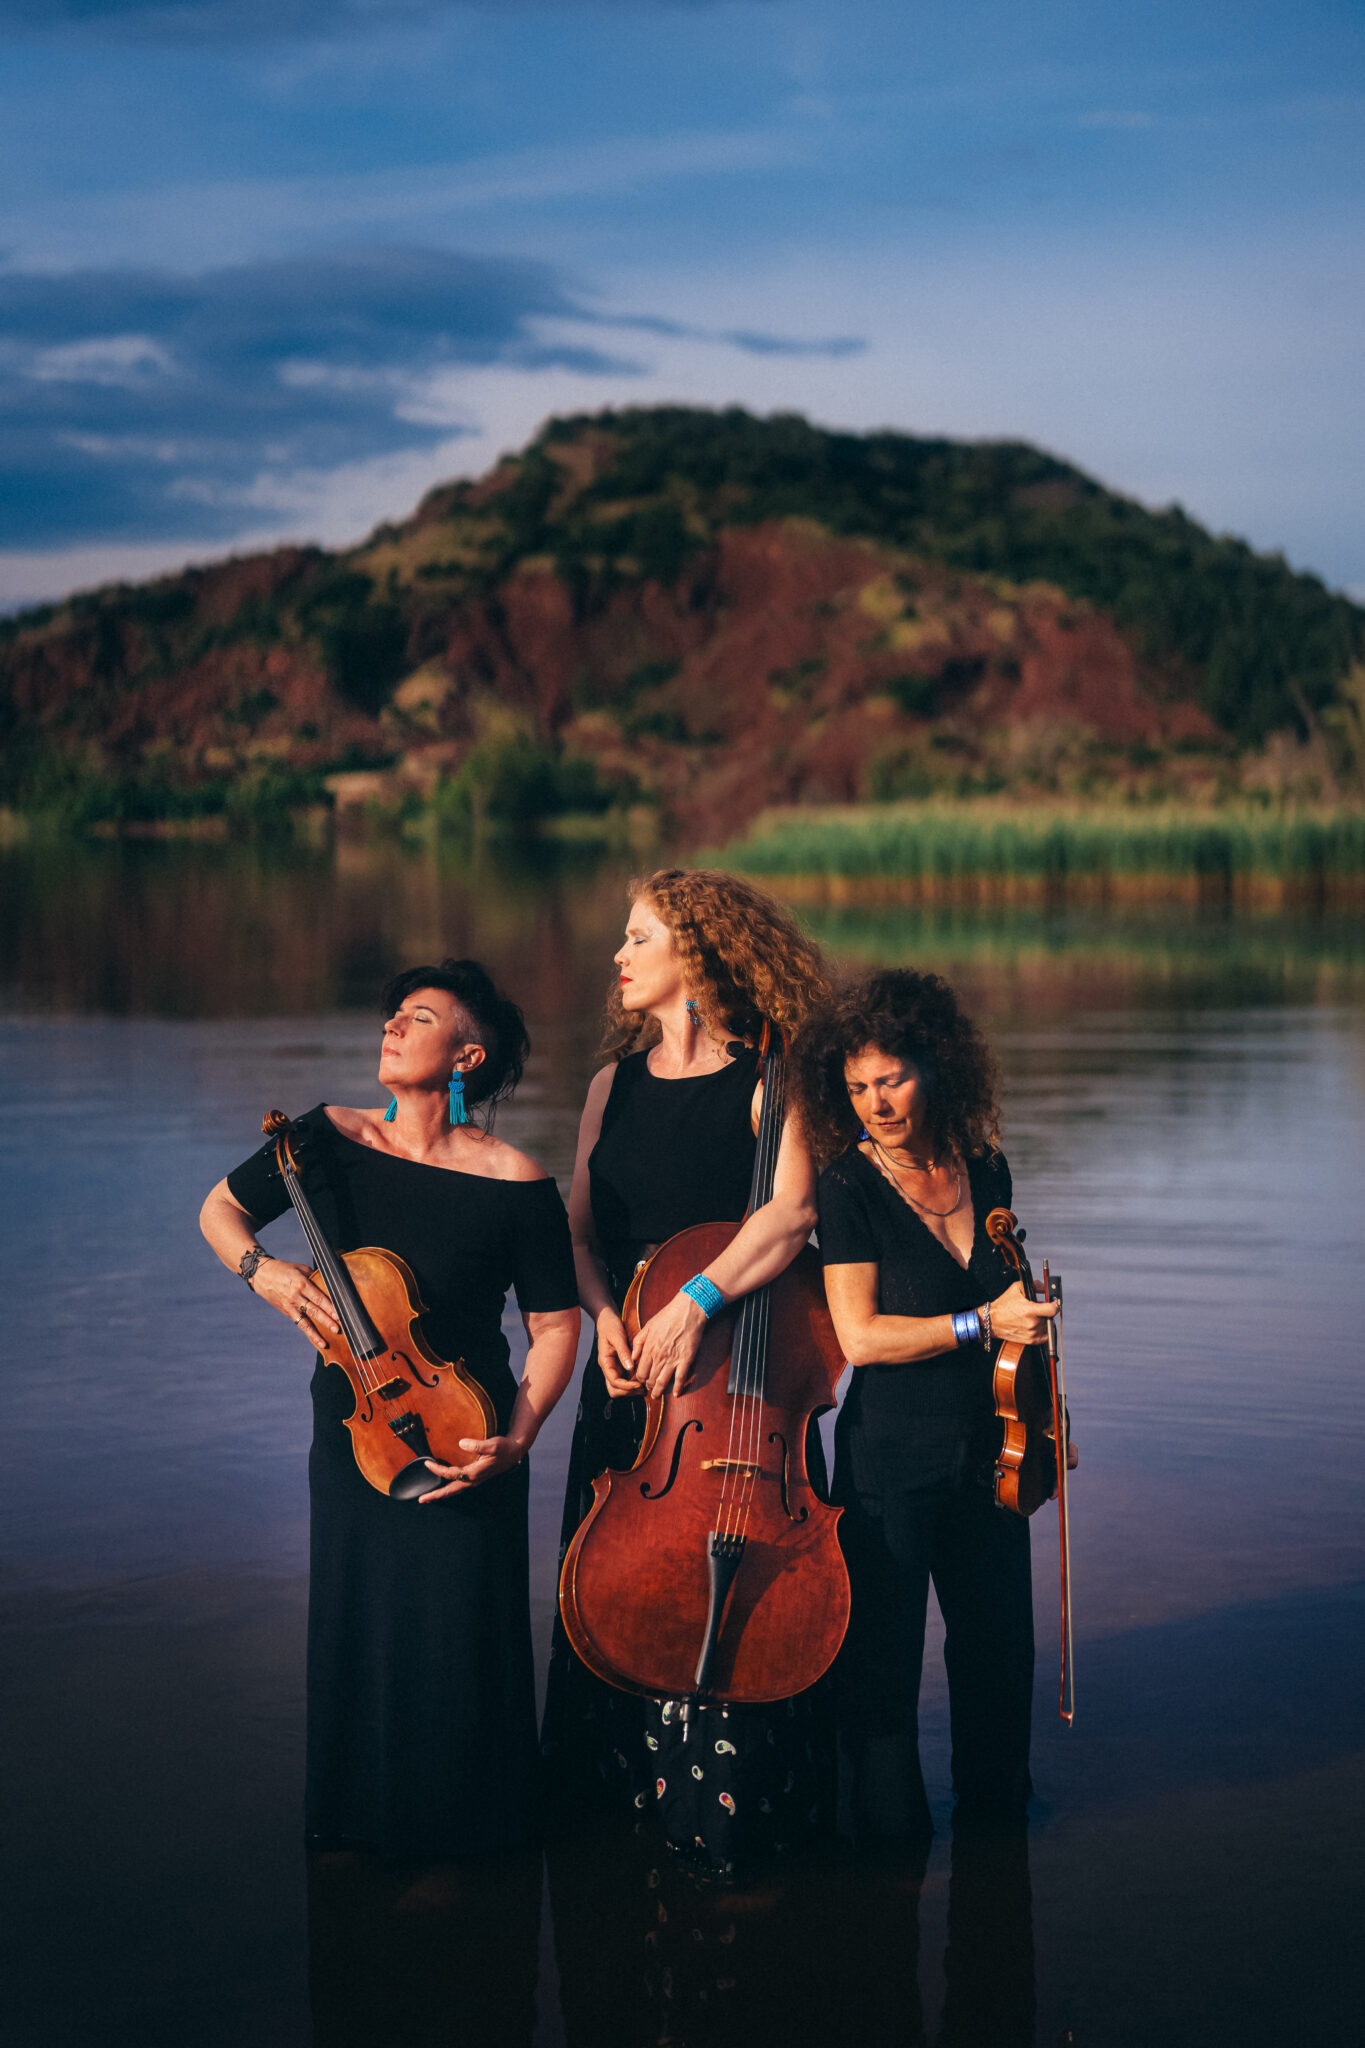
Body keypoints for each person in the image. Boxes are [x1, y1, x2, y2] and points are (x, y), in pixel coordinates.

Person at [199, 959, 580, 1861]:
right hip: (350, 1434)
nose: (391, 1028)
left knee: (461, 1636)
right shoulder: (321, 1137)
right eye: (391, 1017)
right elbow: (220, 1211)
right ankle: (356, 1830)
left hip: (467, 1435)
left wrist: (518, 1439)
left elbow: (556, 1327)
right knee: (358, 1622)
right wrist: (270, 1274)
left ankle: (470, 1846)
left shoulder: (516, 1178)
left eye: (418, 1018)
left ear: (466, 1055)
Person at [541, 867, 833, 1877]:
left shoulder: (773, 1077)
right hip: (629, 1381)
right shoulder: (607, 1086)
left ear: (697, 953)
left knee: (737, 1586)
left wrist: (692, 1302)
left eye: (638, 938)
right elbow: (578, 1228)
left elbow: (790, 1212)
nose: (618, 956)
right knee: (615, 1573)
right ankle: (611, 1812)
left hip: (736, 1384)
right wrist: (602, 1317)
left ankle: (729, 1817)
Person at [793, 968, 1071, 1842]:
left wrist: (1040, 1380)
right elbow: (862, 1336)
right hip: (890, 1460)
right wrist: (978, 1319)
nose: (875, 1102)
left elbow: (1010, 1311)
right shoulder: (847, 1187)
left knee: (997, 1657)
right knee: (881, 1665)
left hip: (997, 1451)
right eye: (857, 1088)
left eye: (892, 1079)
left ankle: (996, 1832)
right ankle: (883, 1845)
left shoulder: (984, 1164)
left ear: (936, 1067)